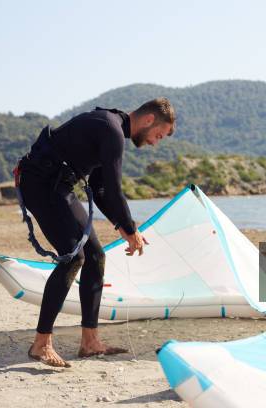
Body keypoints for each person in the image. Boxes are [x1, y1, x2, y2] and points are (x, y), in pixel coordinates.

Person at [15, 98, 176, 367]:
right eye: (158, 135)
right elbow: (114, 189)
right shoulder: (111, 130)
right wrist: (130, 228)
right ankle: (41, 344)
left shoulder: (110, 128)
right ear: (149, 120)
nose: (154, 142)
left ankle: (90, 342)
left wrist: (124, 227)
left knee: (95, 255)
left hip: (58, 186)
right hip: (41, 185)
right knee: (73, 258)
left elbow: (101, 191)